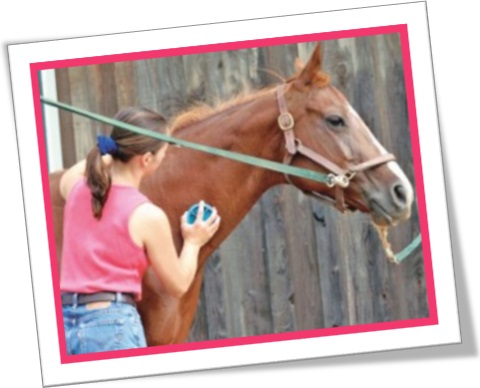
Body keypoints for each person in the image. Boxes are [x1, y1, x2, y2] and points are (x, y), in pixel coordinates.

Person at [59, 107, 221, 355]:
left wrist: (111, 154)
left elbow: (72, 174)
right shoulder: (147, 215)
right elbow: (178, 284)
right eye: (163, 154)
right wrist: (193, 242)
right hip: (111, 326)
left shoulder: (76, 189)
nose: (163, 158)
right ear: (146, 160)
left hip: (64, 322)